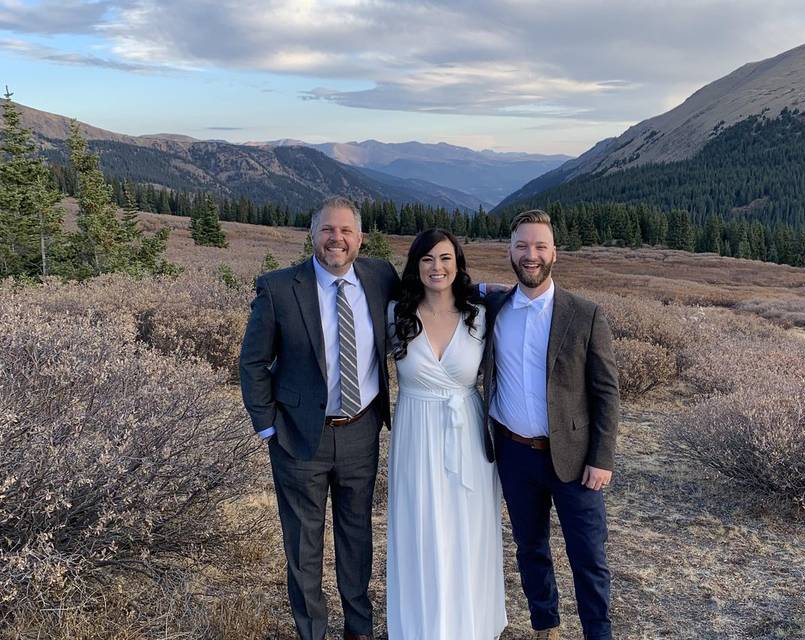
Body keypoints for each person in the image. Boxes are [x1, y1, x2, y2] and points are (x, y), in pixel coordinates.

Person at [238, 196, 399, 640]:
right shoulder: (278, 288)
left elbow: (432, 293)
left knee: (357, 535)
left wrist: (486, 293)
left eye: (346, 230)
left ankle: (359, 629)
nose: (337, 239)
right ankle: (312, 631)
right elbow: (251, 363)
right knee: (304, 544)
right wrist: (267, 425)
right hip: (297, 437)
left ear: (360, 238)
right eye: (328, 229)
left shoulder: (380, 276)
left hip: (360, 430)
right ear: (312, 234)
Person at [482, 210, 620, 640]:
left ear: (554, 252)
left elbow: (606, 392)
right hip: (513, 453)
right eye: (522, 246)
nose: (531, 255)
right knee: (530, 548)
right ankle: (547, 625)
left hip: (576, 459)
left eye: (540, 246)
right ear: (509, 251)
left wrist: (601, 458)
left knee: (588, 557)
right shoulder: (494, 308)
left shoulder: (585, 314)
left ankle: (598, 633)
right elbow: (443, 284)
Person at [386, 228, 507, 639]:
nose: (436, 268)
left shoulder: (480, 314)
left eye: (445, 259)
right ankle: (421, 626)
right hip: (414, 430)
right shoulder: (395, 314)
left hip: (466, 434)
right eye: (426, 260)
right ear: (415, 266)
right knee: (418, 525)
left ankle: (467, 625)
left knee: (466, 528)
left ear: (458, 265)